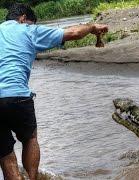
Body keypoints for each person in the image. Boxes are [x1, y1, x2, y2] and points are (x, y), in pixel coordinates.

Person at [0, 3, 108, 180]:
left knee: (5, 156)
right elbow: (73, 33)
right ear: (22, 19)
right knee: (30, 138)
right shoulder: (27, 30)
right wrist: (92, 27)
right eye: (32, 23)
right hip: (17, 94)